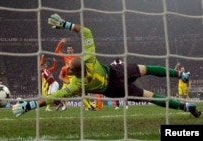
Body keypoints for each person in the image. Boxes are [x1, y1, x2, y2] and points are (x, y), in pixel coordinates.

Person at [12, 13, 201, 118]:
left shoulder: (76, 85)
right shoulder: (89, 59)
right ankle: (181, 76)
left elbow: (51, 97)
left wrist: (29, 105)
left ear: (76, 72)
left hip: (114, 88)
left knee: (152, 97)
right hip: (116, 72)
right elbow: (86, 31)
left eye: (69, 68)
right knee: (149, 69)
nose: (67, 68)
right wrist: (66, 24)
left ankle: (186, 107)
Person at [55, 38, 95, 111]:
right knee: (76, 93)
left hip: (77, 77)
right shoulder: (65, 57)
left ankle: (88, 106)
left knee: (84, 92)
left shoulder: (77, 57)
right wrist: (60, 42)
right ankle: (88, 106)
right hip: (69, 78)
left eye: (71, 49)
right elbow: (57, 51)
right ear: (67, 51)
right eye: (68, 49)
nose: (69, 50)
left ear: (73, 50)